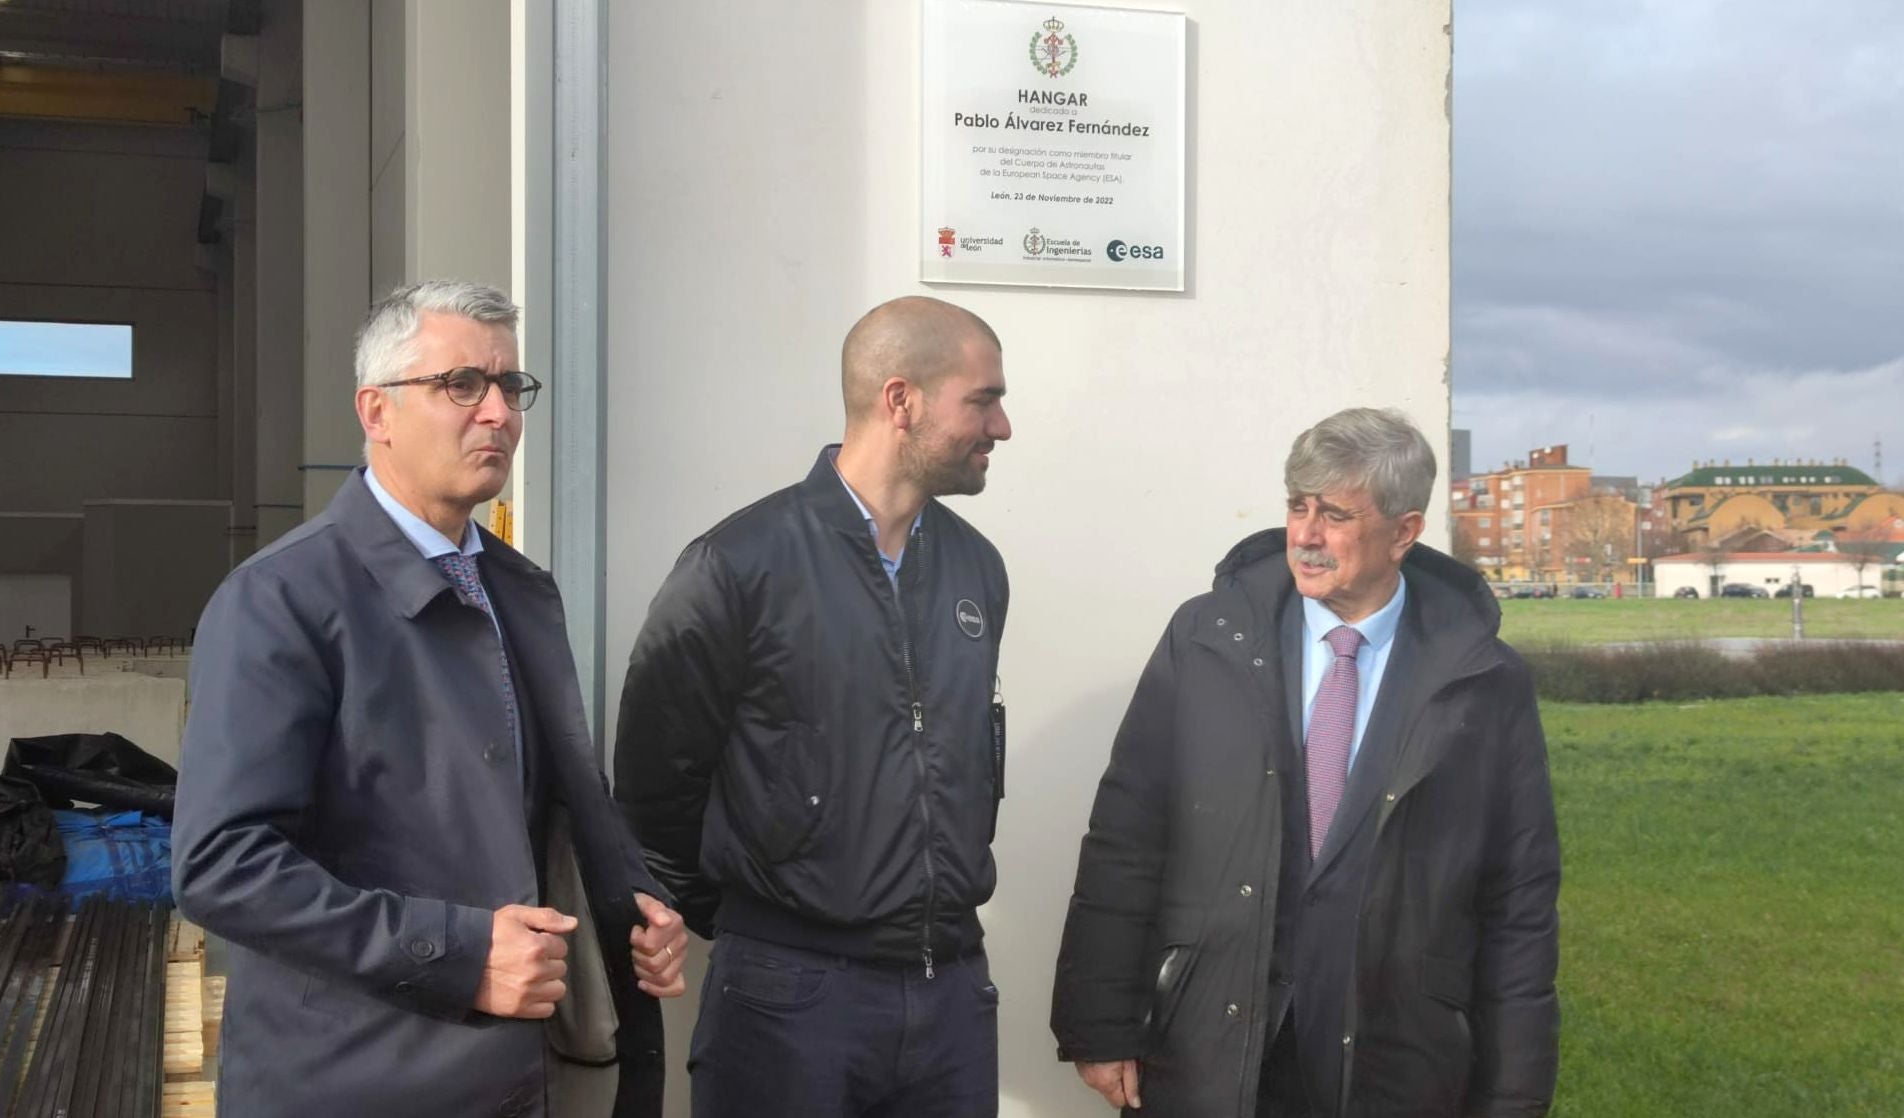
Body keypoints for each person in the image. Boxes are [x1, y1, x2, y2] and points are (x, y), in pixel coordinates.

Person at [173, 280, 689, 1118]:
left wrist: (631, 903)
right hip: (352, 1079)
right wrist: (460, 952)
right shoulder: (282, 600)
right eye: (461, 385)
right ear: (375, 413)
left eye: (510, 386)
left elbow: (551, 802)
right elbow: (220, 865)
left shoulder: (517, 590)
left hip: (513, 1075)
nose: (497, 413)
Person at [1051, 408, 1560, 1117]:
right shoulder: (1207, 639)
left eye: (1336, 516)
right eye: (1298, 507)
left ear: (1405, 531)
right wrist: (1097, 1024)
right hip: (1207, 1043)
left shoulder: (1483, 680)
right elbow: (1127, 835)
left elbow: (1519, 900)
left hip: (1396, 1059)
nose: (1307, 536)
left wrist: (1512, 1095)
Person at [613, 295, 1013, 1118]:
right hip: (790, 999)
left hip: (950, 998)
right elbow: (655, 785)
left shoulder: (977, 569)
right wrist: (760, 927)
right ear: (899, 400)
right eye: (982, 399)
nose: (1001, 426)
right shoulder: (739, 565)